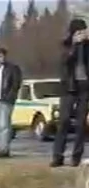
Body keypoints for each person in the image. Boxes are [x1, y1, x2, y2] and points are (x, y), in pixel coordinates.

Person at [53, 19, 89, 167]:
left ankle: (76, 157)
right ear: (73, 33)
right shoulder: (66, 46)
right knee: (64, 121)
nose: (81, 35)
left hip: (85, 87)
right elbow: (64, 62)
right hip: (69, 87)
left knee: (81, 124)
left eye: (83, 31)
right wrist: (74, 46)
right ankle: (58, 156)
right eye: (78, 32)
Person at [0, 47, 22, 159]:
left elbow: (16, 84)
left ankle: (4, 149)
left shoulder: (12, 68)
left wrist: (10, 97)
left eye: (1, 56)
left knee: (4, 125)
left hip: (6, 100)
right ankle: (0, 146)